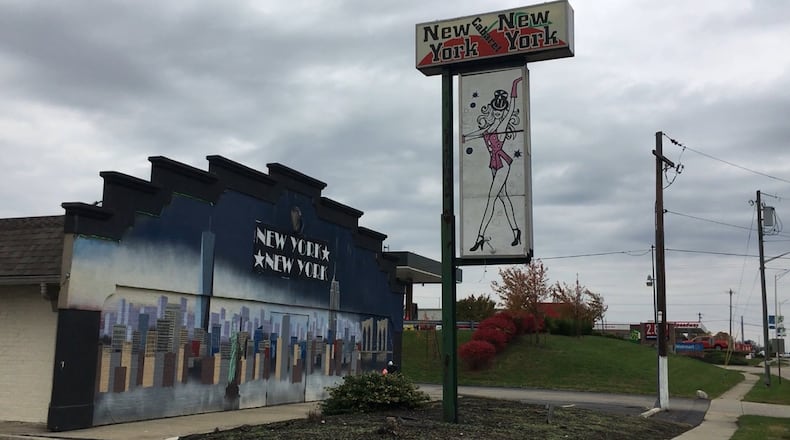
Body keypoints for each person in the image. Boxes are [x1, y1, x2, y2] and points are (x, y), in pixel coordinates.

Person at [463, 76, 524, 252]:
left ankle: (480, 236)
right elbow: (479, 132)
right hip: (493, 164)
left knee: (491, 200)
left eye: (500, 110)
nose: (497, 113)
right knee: (504, 199)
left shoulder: (503, 123)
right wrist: (466, 137)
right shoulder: (490, 126)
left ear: (503, 111)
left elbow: (512, 108)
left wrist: (514, 85)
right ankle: (516, 231)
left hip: (503, 163)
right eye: (495, 110)